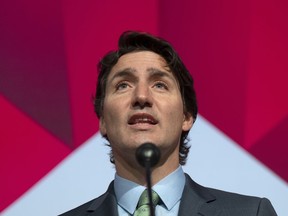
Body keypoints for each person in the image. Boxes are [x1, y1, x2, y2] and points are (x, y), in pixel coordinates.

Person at [60, 31, 277, 216]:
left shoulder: (251, 212)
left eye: (160, 85)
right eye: (123, 85)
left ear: (187, 117)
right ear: (103, 120)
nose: (142, 96)